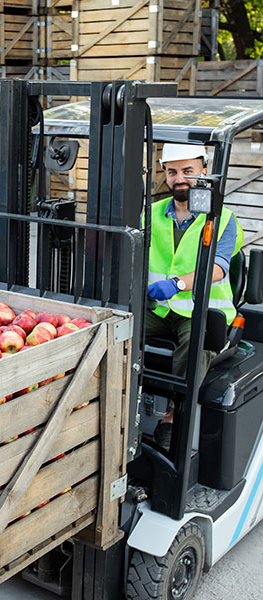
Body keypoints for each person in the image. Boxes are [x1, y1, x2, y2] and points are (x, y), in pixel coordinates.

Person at [145, 143, 243, 447]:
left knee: (196, 337)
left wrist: (177, 284)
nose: (180, 178)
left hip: (201, 312)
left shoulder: (222, 219)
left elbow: (218, 268)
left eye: (188, 171)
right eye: (172, 172)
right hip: (158, 310)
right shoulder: (150, 214)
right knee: (115, 326)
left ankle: (174, 417)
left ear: (204, 170)